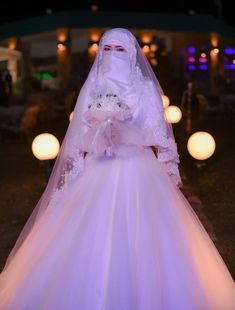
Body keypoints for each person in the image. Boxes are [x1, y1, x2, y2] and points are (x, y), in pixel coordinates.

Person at [0, 28, 234, 310]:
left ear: (132, 53)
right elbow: (78, 138)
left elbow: (158, 134)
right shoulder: (94, 88)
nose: (112, 55)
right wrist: (99, 136)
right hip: (98, 169)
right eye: (107, 49)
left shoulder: (144, 89)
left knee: (149, 239)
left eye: (120, 49)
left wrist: (126, 132)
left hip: (138, 170)